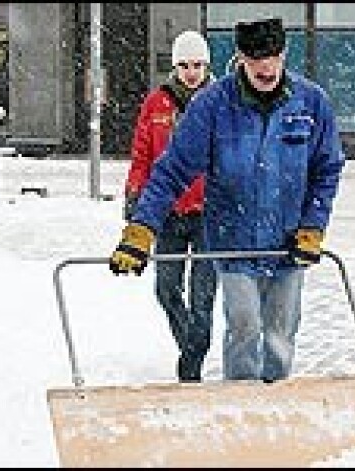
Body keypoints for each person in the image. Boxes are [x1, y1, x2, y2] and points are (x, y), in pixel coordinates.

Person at [109, 17, 346, 383]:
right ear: (240, 58)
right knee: (245, 328)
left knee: (281, 336)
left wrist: (313, 226)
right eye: (255, 58)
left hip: (288, 242)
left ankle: (278, 405)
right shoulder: (214, 105)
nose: (265, 67)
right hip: (233, 238)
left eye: (271, 56)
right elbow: (172, 170)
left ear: (284, 54)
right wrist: (141, 228)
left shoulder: (311, 103)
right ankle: (241, 403)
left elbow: (326, 169)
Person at [121, 29, 217, 383]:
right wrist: (135, 197)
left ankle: (190, 367)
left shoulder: (220, 101)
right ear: (175, 66)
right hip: (169, 213)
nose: (191, 72)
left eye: (197, 65)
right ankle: (191, 347)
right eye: (184, 65)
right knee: (166, 288)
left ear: (207, 66)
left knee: (203, 297)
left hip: (209, 214)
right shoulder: (156, 104)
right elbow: (142, 155)